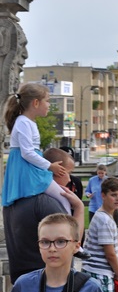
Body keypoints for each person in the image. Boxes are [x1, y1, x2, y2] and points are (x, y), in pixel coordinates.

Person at [3, 148, 86, 284]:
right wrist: (79, 208)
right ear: (57, 170)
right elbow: (73, 244)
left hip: (22, 280)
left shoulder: (12, 201)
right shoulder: (44, 202)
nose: (70, 179)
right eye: (68, 173)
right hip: (49, 282)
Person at [2, 83, 70, 211]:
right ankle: (68, 229)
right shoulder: (23, 122)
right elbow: (27, 153)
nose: (49, 105)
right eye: (48, 101)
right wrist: (50, 166)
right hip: (28, 169)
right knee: (63, 199)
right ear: (36, 103)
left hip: (29, 167)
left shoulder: (27, 122)